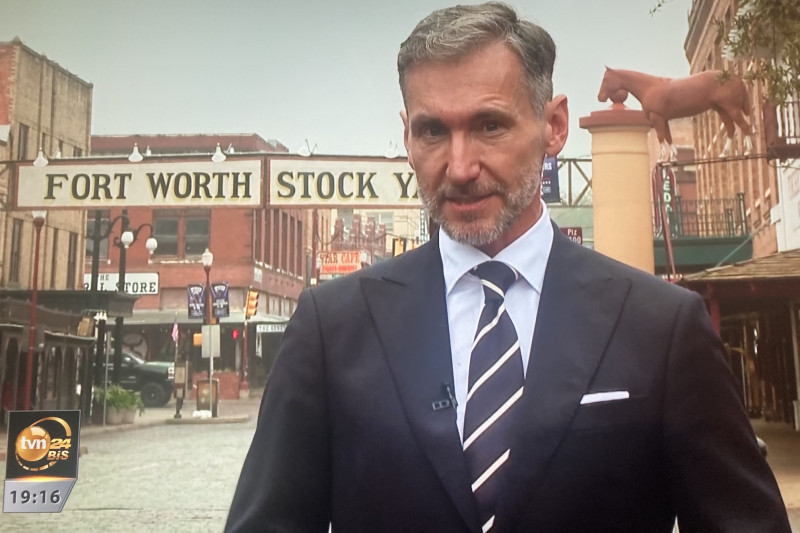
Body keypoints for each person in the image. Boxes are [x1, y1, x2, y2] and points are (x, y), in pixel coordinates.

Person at [225, 3, 790, 532]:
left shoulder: (662, 326)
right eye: (432, 131)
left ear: (554, 125)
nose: (460, 166)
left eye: (489, 125)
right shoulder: (332, 328)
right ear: (407, 136)